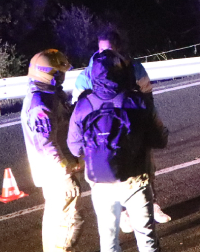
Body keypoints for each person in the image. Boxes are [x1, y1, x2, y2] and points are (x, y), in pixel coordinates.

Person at [68, 50, 168, 252]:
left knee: (109, 239)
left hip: (100, 181)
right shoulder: (137, 101)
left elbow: (74, 146)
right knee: (146, 237)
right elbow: (159, 139)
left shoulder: (83, 105)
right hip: (136, 179)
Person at [21, 50, 84, 252]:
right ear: (52, 74)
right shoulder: (40, 105)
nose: (63, 76)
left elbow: (62, 119)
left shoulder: (47, 95)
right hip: (55, 173)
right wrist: (65, 175)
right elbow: (47, 144)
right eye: (60, 72)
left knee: (54, 218)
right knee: (69, 222)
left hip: (54, 169)